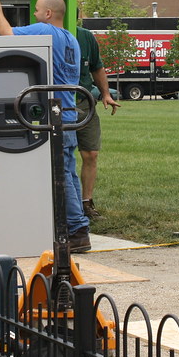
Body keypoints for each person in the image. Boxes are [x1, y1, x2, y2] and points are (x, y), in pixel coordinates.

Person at [0, 0, 91, 253]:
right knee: (69, 173)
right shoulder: (71, 38)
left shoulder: (45, 30)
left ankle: (76, 231)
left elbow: (7, 36)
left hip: (54, 115)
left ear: (48, 14)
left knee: (61, 173)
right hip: (69, 113)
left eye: (37, 10)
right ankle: (78, 224)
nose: (35, 14)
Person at [75, 25, 120, 219]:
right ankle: (61, 203)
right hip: (58, 102)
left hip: (84, 102)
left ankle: (87, 202)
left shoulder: (85, 37)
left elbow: (97, 67)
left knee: (91, 153)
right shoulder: (46, 34)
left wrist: (106, 94)